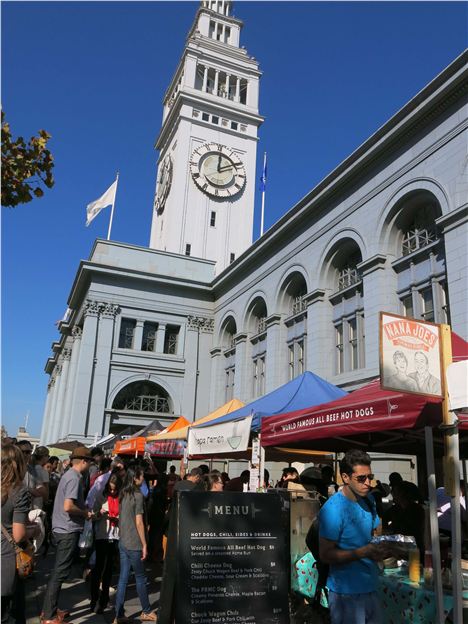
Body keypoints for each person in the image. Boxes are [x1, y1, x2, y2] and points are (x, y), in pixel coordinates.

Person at [319, 449, 390, 624]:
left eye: (370, 477)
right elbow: (325, 554)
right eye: (361, 478)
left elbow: (373, 535)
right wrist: (363, 552)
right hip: (346, 593)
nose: (368, 483)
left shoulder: (369, 500)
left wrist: (385, 547)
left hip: (371, 586)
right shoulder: (333, 509)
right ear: (345, 477)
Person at [41, 446, 94, 624]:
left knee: (59, 572)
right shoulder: (74, 478)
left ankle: (51, 609)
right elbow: (68, 506)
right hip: (67, 530)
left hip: (62, 529)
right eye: (90, 462)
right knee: (59, 573)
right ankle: (49, 615)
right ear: (84, 462)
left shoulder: (69, 476)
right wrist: (85, 513)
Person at [114, 466, 156, 623]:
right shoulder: (138, 496)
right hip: (134, 542)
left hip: (123, 540)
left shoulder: (123, 493)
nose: (143, 478)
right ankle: (146, 610)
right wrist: (144, 544)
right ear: (135, 478)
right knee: (140, 577)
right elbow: (139, 522)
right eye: (142, 476)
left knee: (123, 579)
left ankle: (118, 615)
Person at [1, 444, 33, 624]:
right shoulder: (19, 491)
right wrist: (35, 529)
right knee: (10, 615)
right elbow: (19, 534)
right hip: (6, 562)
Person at [90, 473, 122, 613]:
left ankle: (103, 600)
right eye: (110, 489)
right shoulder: (101, 497)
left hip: (115, 535)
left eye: (115, 489)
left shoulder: (121, 499)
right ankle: (94, 599)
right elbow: (92, 516)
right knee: (99, 567)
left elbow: (125, 518)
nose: (113, 492)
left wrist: (118, 519)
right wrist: (100, 514)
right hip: (102, 535)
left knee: (109, 569)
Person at [382, 480, 425, 562]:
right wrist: (386, 529)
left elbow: (412, 530)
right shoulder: (395, 508)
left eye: (395, 492)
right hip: (399, 550)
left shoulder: (417, 509)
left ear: (404, 494)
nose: (392, 494)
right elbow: (385, 517)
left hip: (413, 550)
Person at [30, 446, 50, 510]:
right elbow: (46, 490)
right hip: (37, 503)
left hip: (27, 501)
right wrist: (47, 501)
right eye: (48, 456)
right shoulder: (43, 471)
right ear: (44, 456)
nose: (48, 458)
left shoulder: (28, 468)